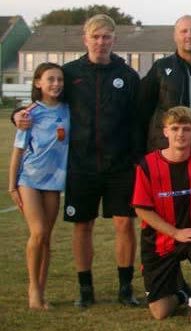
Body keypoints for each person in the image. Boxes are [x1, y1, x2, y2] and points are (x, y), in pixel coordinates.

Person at [13, 14, 144, 308]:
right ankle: (86, 289)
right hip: (81, 166)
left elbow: (138, 120)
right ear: (85, 39)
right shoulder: (70, 74)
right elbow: (44, 98)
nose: (101, 42)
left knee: (125, 224)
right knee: (82, 226)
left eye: (106, 37)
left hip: (120, 165)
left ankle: (126, 288)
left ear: (114, 39)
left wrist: (137, 158)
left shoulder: (129, 75)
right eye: (95, 37)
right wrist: (17, 114)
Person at [132, 106, 191, 323]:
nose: (180, 134)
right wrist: (175, 233)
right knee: (160, 312)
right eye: (174, 128)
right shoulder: (148, 164)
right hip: (160, 240)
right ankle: (182, 292)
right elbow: (141, 208)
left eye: (186, 128)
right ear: (165, 132)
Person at [8, 63, 68, 310]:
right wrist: (12, 186)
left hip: (54, 182)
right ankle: (33, 289)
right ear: (38, 83)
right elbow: (18, 151)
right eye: (50, 79)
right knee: (39, 231)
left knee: (46, 239)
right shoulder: (29, 114)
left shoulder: (68, 109)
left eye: (60, 79)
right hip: (29, 180)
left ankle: (42, 293)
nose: (56, 84)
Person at [138, 15, 191, 158]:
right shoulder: (160, 68)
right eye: (184, 31)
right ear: (175, 36)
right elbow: (143, 110)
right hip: (165, 152)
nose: (189, 35)